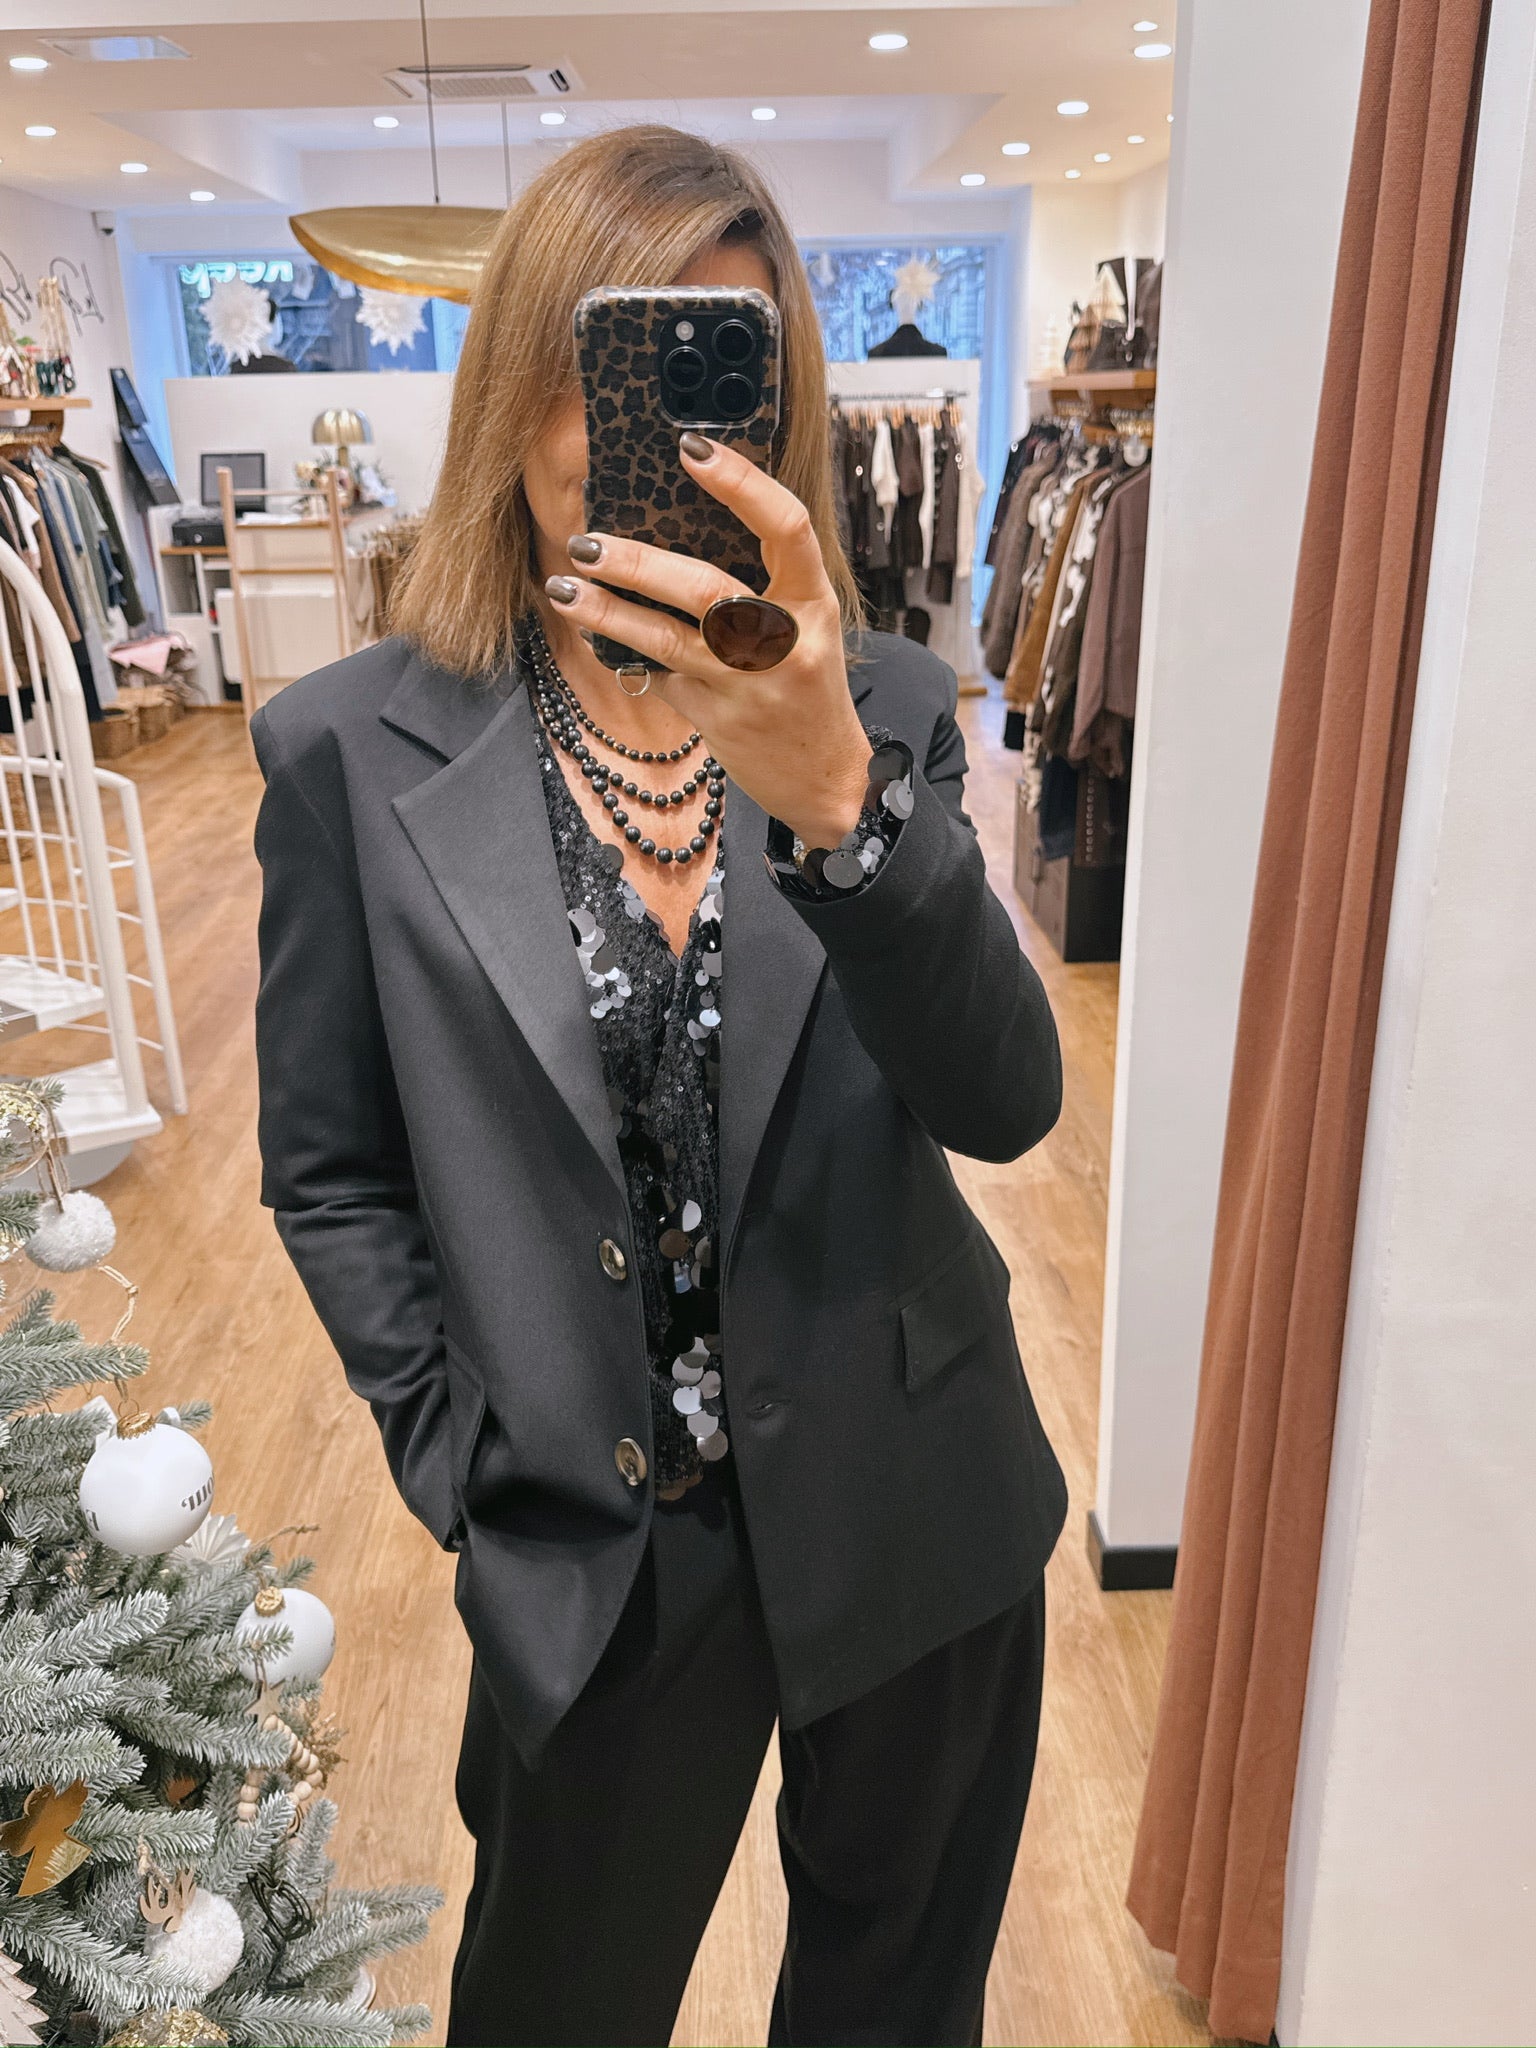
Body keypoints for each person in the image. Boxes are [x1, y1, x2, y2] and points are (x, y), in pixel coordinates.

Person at [252, 124, 1067, 2048]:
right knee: (553, 2007)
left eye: (721, 371)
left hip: (913, 1488)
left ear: (777, 407)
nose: (648, 434)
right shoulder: (348, 753)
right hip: (595, 1543)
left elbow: (1004, 1098)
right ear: (513, 382)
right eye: (607, 363)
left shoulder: (880, 708)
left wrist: (844, 807)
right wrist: (456, 1452)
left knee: (896, 2012)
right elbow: (332, 1169)